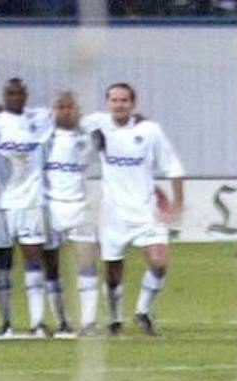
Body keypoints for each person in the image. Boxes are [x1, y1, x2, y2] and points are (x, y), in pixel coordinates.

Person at [82, 83, 184, 338]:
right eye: (114, 100)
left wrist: (177, 204)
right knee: (113, 273)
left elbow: (173, 167)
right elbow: (69, 121)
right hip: (113, 215)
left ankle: (143, 312)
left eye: (124, 100)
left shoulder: (149, 131)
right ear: (107, 103)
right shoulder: (96, 124)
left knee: (159, 262)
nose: (119, 104)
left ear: (133, 104)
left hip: (146, 211)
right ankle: (115, 319)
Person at [0, 77, 54, 340]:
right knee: (3, 264)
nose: (14, 97)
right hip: (2, 204)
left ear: (26, 95)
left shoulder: (40, 119)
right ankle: (6, 322)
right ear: (4, 95)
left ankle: (37, 322)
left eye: (19, 93)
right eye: (10, 93)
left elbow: (66, 113)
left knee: (34, 261)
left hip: (31, 202)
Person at [41, 89, 97, 337]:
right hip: (50, 208)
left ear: (78, 111)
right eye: (61, 107)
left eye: (70, 107)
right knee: (51, 267)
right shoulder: (44, 139)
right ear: (54, 111)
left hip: (79, 208)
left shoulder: (88, 138)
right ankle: (61, 320)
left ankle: (88, 322)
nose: (66, 112)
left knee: (87, 263)